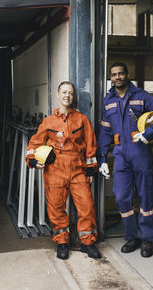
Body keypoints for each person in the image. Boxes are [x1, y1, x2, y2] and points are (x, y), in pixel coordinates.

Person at [98, 62, 153, 257]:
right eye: (114, 74)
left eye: (121, 73)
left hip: (141, 151)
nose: (117, 77)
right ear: (110, 78)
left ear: (127, 75)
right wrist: (102, 157)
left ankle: (147, 238)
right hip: (120, 154)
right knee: (121, 197)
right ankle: (132, 236)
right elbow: (105, 131)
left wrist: (150, 132)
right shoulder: (108, 101)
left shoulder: (142, 96)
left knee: (146, 195)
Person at [25, 81, 101, 260]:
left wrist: (90, 170)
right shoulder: (48, 122)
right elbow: (34, 143)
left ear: (73, 97)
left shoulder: (82, 120)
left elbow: (90, 145)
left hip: (78, 168)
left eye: (71, 93)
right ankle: (62, 242)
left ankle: (88, 242)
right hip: (55, 169)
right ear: (57, 95)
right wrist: (33, 160)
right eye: (64, 92)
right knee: (56, 207)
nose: (67, 95)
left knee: (87, 206)